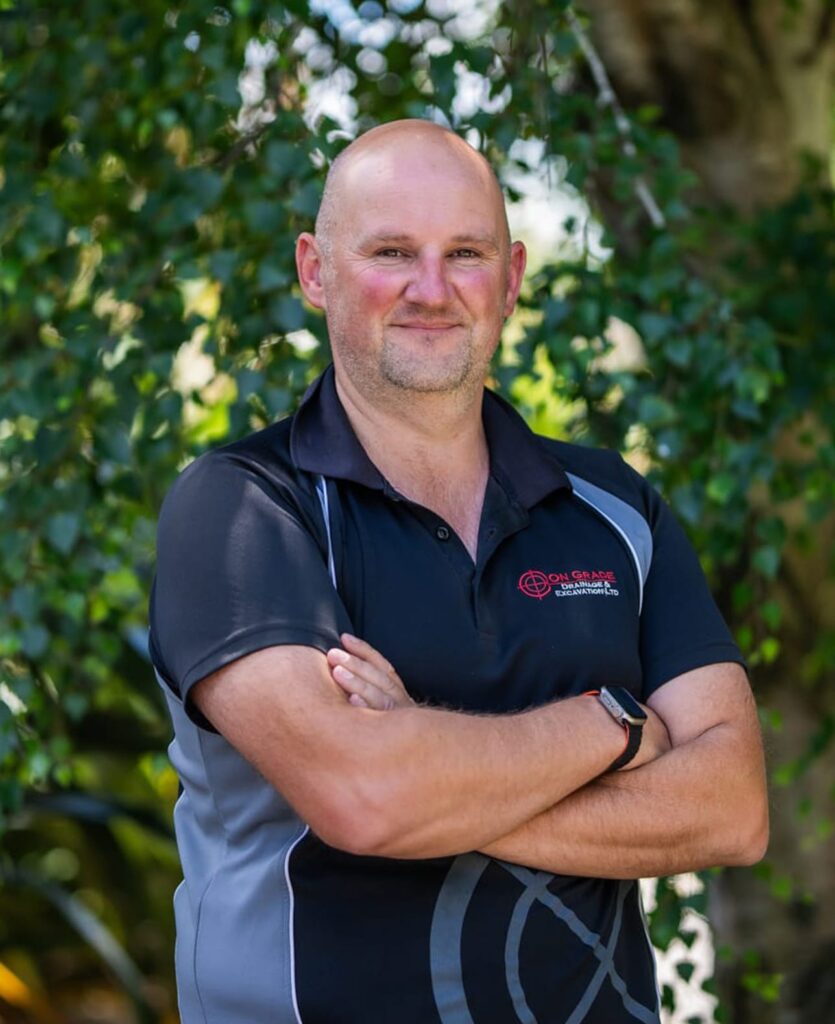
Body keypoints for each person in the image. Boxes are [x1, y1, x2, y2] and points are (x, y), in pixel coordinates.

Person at [148, 119, 768, 1024]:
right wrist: (615, 728)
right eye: (392, 251)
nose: (431, 290)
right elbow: (366, 801)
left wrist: (426, 778)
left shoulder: (614, 508)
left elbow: (733, 809)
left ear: (511, 279)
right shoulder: (242, 509)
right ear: (315, 272)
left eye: (465, 253)